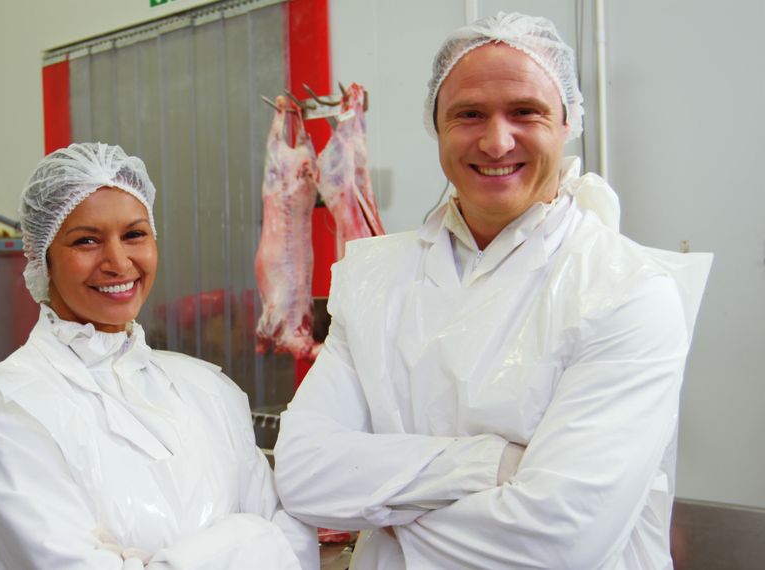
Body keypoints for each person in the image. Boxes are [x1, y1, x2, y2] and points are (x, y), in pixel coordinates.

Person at [273, 12, 712, 569]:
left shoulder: (626, 291)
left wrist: (387, 516)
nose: (496, 140)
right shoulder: (374, 279)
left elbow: (558, 540)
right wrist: (497, 465)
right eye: (469, 114)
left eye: (525, 112)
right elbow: (303, 474)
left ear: (567, 121)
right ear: (437, 125)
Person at [0, 142, 317, 570]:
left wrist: (159, 561)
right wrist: (251, 539)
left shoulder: (209, 391)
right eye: (86, 241)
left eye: (134, 234)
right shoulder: (6, 408)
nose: (118, 262)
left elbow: (296, 543)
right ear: (45, 259)